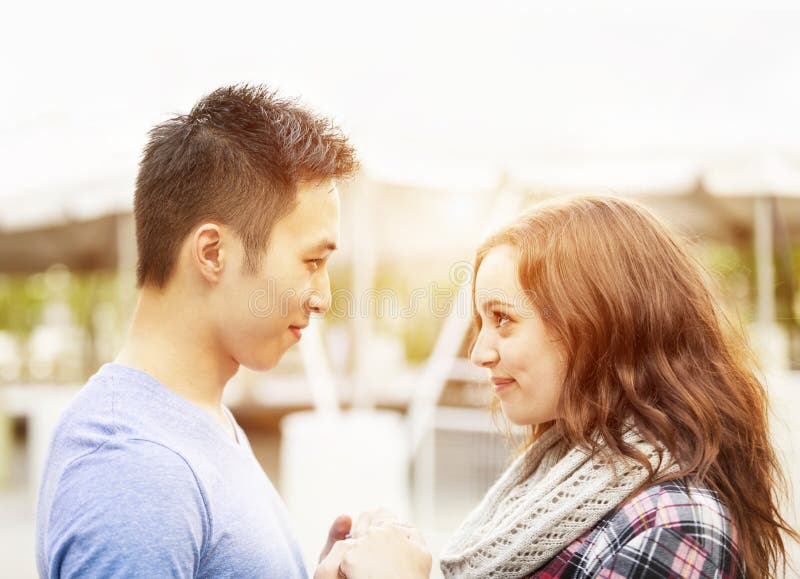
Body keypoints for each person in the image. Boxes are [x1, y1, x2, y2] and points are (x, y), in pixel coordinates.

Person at [335, 196, 798, 578]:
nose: (478, 352)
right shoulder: (559, 480)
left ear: (597, 325)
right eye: (481, 322)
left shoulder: (674, 521)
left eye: (503, 319)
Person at [36, 84, 361, 578]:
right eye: (312, 261)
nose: (323, 296)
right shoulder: (134, 469)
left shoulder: (193, 420)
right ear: (213, 253)